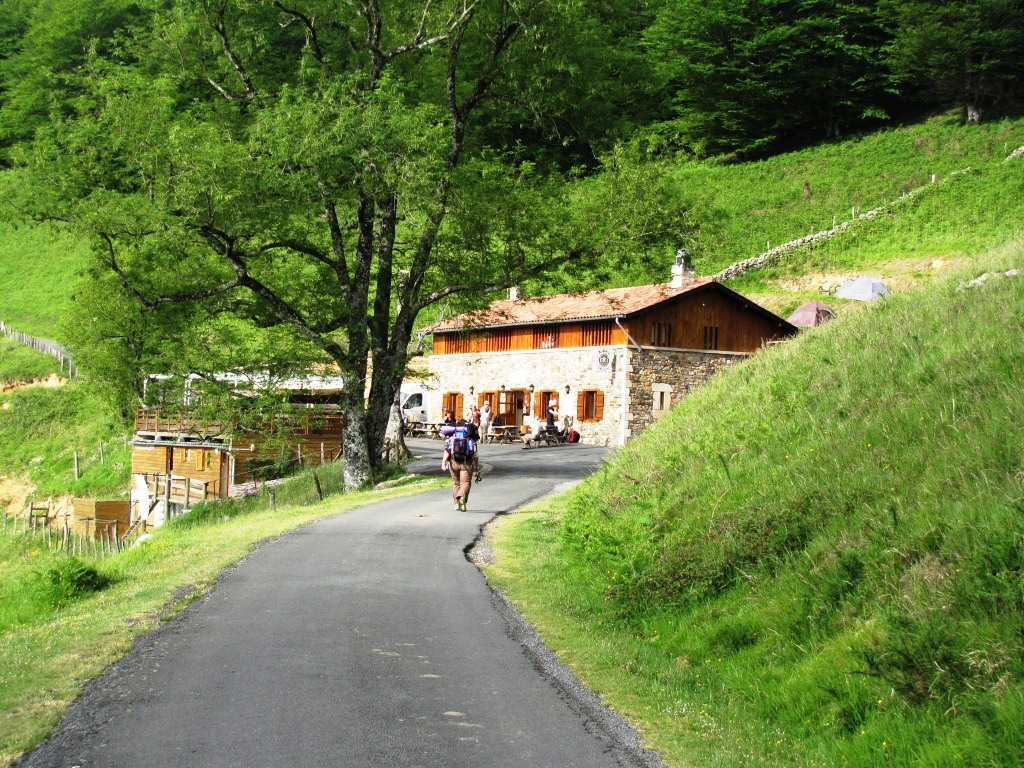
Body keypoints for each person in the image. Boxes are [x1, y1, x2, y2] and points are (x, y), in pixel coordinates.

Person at [441, 418, 481, 511]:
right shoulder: (470, 438)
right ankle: (462, 497)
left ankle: (456, 504)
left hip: (453, 462)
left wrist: (443, 462)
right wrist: (476, 467)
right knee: (466, 482)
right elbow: (475, 454)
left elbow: (447, 451)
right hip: (466, 463)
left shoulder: (452, 437)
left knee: (456, 483)